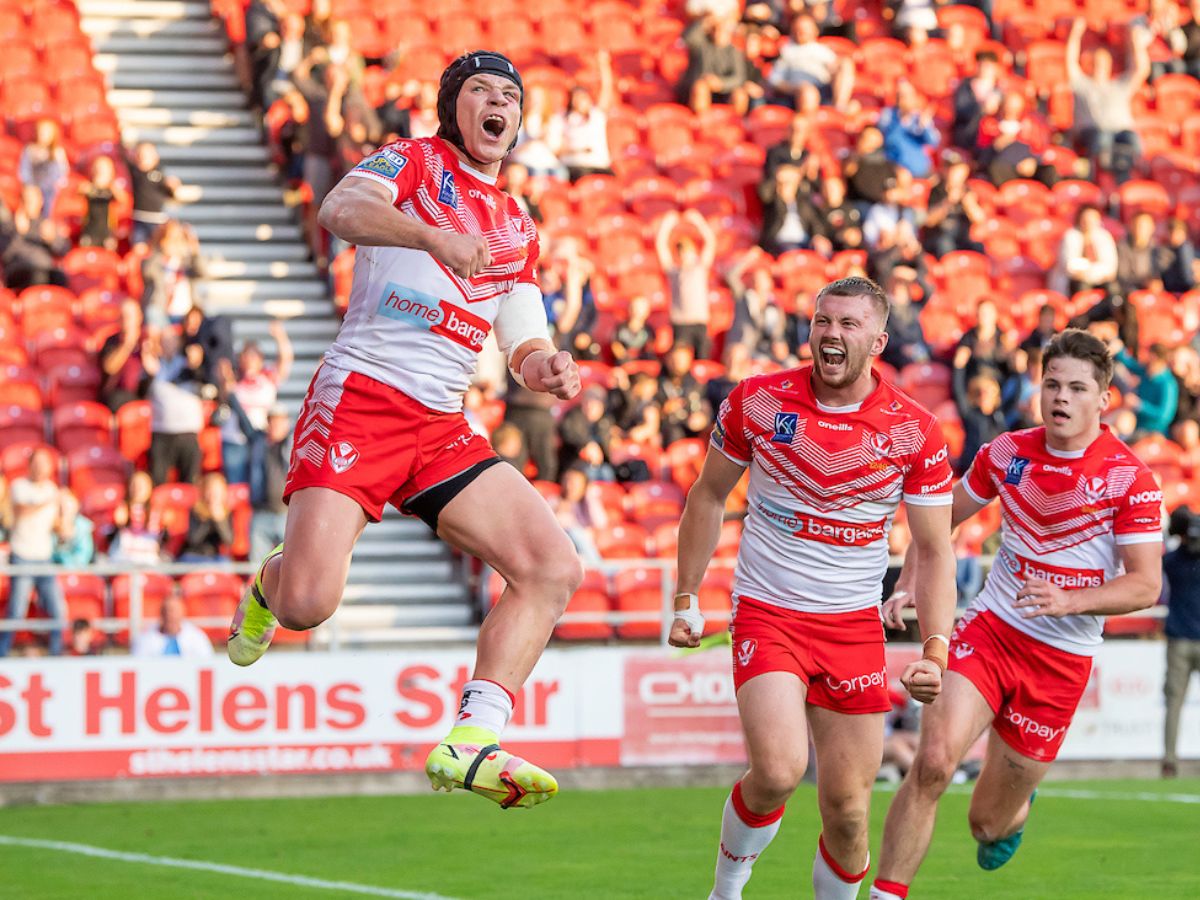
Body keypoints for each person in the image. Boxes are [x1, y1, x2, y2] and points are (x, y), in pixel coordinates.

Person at [225, 51, 584, 811]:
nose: (498, 104)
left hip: (442, 421)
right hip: (363, 396)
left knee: (552, 568)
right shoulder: (415, 163)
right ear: (455, 106)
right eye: (482, 91)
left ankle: (472, 738)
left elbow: (520, 336)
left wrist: (545, 365)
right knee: (306, 606)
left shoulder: (519, 222)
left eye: (511, 97)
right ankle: (269, 581)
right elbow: (338, 210)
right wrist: (432, 237)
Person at [670, 276, 957, 900]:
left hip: (853, 627)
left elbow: (935, 549)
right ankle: (725, 891)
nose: (830, 333)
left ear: (878, 341)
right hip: (767, 613)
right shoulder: (758, 400)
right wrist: (685, 596)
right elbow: (709, 494)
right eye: (823, 321)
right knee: (776, 771)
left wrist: (936, 651)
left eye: (848, 324)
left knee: (849, 814)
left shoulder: (914, 430)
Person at [871, 329, 1163, 899]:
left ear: (1104, 399)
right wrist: (908, 577)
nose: (1061, 397)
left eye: (1077, 388)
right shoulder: (1007, 453)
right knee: (931, 763)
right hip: (991, 631)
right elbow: (939, 520)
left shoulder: (1131, 478)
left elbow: (1145, 584)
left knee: (986, 825)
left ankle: (1016, 811)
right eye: (1052, 384)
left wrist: (1071, 601)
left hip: (1059, 664)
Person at [1066, 17, 1151, 184]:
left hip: (1121, 132)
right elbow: (1069, 62)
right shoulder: (1082, 84)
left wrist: (1136, 43)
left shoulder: (1119, 85)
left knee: (1132, 139)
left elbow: (1141, 70)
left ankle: (1132, 180)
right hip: (1094, 133)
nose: (1100, 66)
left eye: (1104, 62)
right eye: (1096, 62)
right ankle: (1100, 179)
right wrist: (1075, 34)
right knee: (1103, 139)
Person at [0, 449, 66, 657]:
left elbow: (54, 524)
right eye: (36, 463)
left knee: (58, 610)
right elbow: (20, 511)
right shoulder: (20, 486)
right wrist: (50, 501)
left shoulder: (51, 488)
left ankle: (56, 654)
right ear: (29, 465)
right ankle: (3, 653)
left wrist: (64, 525)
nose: (40, 467)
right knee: (17, 611)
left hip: (44, 557)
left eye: (44, 463)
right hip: (23, 555)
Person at [221, 321, 293, 486]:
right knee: (236, 487)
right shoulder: (234, 378)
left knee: (259, 486)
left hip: (261, 441)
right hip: (235, 440)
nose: (250, 360)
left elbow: (285, 361)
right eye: (246, 355)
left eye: (254, 356)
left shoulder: (267, 377)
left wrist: (280, 337)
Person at [141, 326, 206, 485]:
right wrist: (148, 372)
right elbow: (140, 392)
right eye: (164, 341)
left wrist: (196, 365)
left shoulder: (187, 364)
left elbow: (204, 381)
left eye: (172, 340)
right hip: (162, 432)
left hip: (188, 432)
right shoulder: (155, 366)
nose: (168, 344)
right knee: (158, 482)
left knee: (189, 482)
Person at [1162, 506, 1200, 778]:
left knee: (1174, 703)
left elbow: (1163, 556)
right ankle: (1169, 759)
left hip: (1178, 641)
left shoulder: (1173, 561)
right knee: (1174, 702)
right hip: (1183, 638)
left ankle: (1169, 760)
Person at [656, 209, 717, 358]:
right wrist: (666, 226)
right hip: (681, 323)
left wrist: (698, 222)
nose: (684, 255)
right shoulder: (674, 272)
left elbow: (710, 242)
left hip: (699, 322)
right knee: (680, 359)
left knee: (703, 359)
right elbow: (661, 247)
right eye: (680, 252)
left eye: (686, 251)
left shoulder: (700, 268)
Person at [127, 142, 181, 248]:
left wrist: (173, 187)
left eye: (146, 155)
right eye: (140, 154)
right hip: (138, 218)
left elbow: (170, 195)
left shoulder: (159, 174)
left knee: (158, 247)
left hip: (156, 219)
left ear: (155, 157)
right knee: (138, 246)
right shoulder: (133, 172)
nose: (142, 158)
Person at [132, 593, 214, 658]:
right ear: (161, 614)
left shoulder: (196, 637)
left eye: (174, 611)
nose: (170, 615)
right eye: (167, 611)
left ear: (183, 613)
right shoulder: (146, 638)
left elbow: (207, 662)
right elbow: (139, 665)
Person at [179, 472, 234, 561]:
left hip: (215, 557)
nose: (213, 495)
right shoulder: (195, 510)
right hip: (193, 555)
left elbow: (228, 540)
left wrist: (219, 521)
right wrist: (206, 519)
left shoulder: (227, 513)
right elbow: (193, 539)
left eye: (216, 491)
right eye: (210, 491)